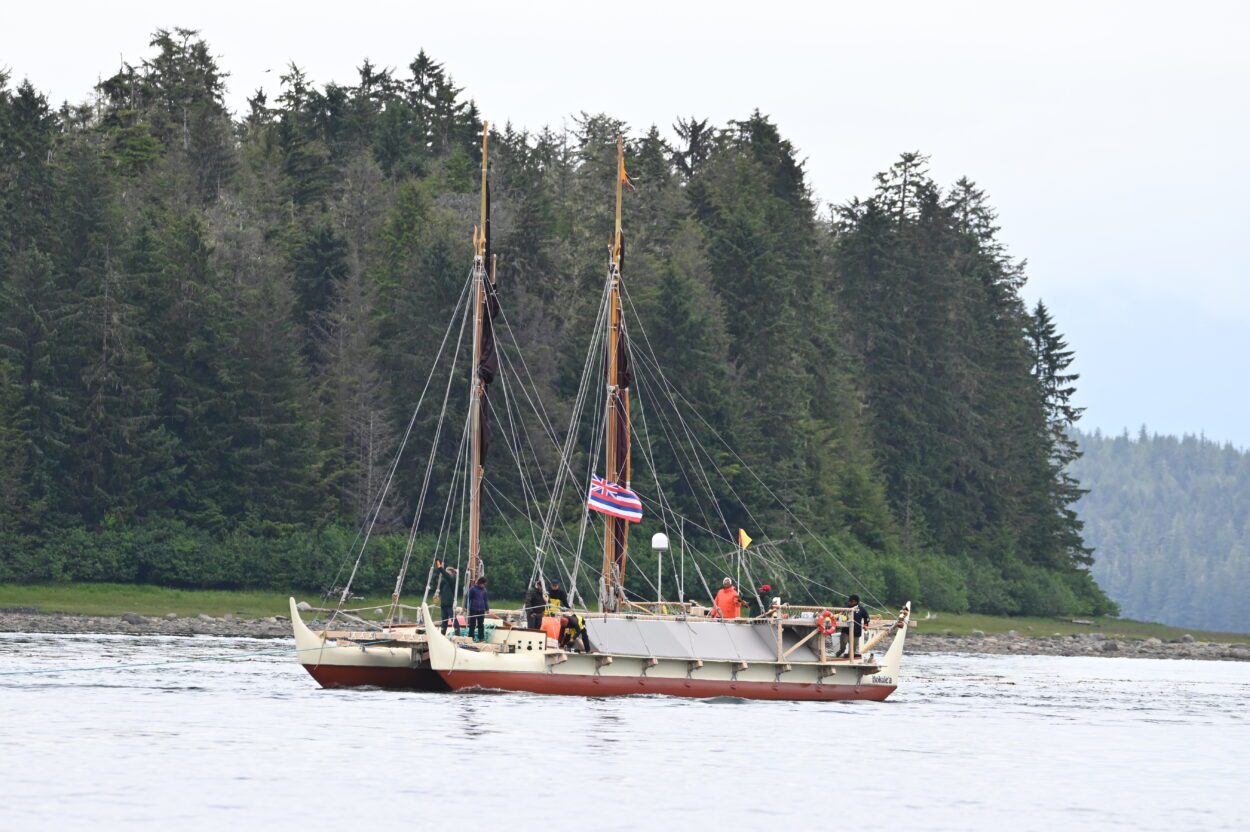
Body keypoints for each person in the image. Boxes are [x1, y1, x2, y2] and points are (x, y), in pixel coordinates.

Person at [433, 560, 461, 636]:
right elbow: (439, 585)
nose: (446, 573)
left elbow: (446, 575)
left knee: (453, 619)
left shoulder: (452, 580)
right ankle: (442, 634)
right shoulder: (444, 582)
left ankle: (458, 634)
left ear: (452, 573)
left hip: (450, 603)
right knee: (444, 621)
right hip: (443, 604)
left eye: (448, 572)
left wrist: (440, 568)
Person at [467, 576, 490, 642]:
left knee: (481, 624)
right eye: (484, 584)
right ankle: (471, 638)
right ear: (480, 583)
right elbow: (468, 599)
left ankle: (481, 638)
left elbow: (485, 600)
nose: (484, 586)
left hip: (481, 610)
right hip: (473, 609)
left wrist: (487, 609)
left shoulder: (484, 590)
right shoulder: (472, 589)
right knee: (472, 624)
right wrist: (465, 607)